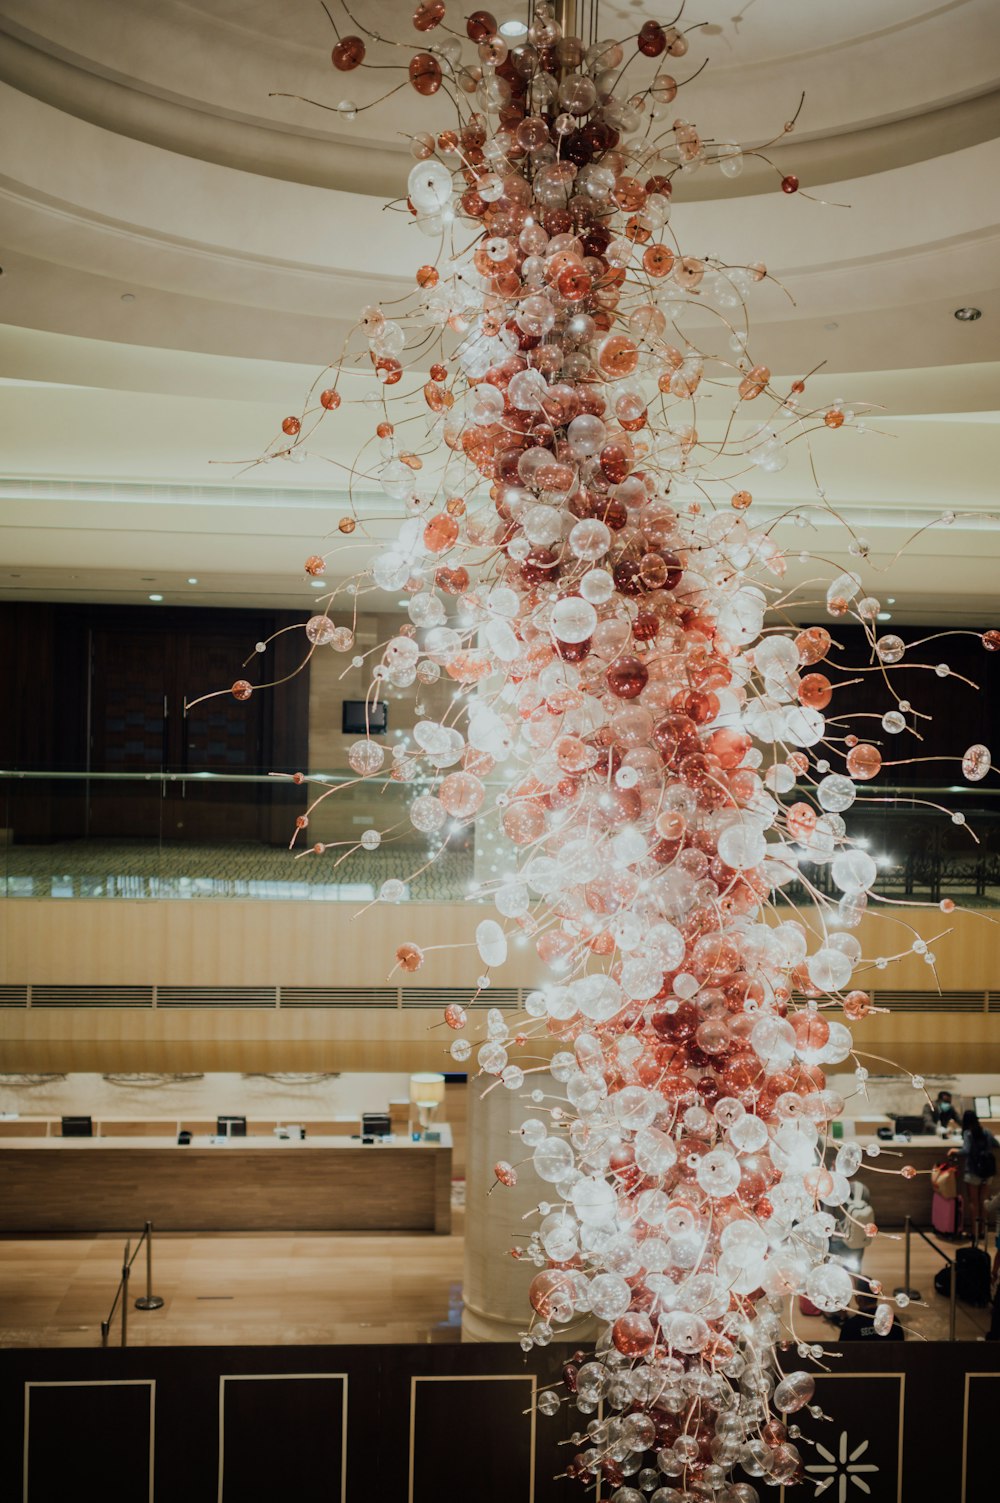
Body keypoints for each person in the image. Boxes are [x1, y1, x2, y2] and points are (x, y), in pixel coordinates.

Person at [954, 1109, 999, 1243]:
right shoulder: (987, 1132)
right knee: (984, 1202)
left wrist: (955, 1151)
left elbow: (966, 1151)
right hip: (987, 1172)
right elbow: (996, 1144)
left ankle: (974, 1233)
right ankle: (982, 1232)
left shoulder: (968, 1133)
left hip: (973, 1172)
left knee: (974, 1203)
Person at [838, 1289, 904, 1342]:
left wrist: (843, 1318)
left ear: (859, 1299)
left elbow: (842, 1350)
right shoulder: (893, 1321)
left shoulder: (850, 1326)